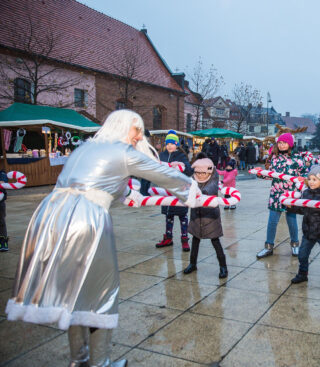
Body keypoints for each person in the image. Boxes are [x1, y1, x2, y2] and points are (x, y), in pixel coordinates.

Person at [5, 109, 199, 367]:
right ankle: (101, 363)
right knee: (101, 293)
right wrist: (195, 192)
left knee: (77, 292)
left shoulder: (85, 148)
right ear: (121, 127)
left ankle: (80, 359)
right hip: (85, 220)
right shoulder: (122, 151)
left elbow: (98, 183)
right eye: (136, 129)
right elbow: (164, 174)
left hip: (50, 215)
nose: (139, 135)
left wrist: (128, 194)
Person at [256, 133, 307, 258]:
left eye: (284, 143)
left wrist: (302, 179)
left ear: (289, 144)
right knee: (272, 221)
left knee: (291, 220)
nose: (281, 145)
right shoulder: (275, 158)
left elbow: (305, 175)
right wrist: (260, 173)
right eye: (279, 143)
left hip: (290, 195)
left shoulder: (298, 159)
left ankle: (295, 245)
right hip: (276, 194)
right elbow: (271, 175)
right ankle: (268, 247)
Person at [183, 154, 228, 278]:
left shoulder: (213, 177)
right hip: (196, 215)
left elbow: (211, 189)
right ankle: (192, 263)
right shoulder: (192, 178)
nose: (201, 175)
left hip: (210, 216)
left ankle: (223, 266)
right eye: (199, 173)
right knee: (195, 240)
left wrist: (199, 192)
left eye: (204, 173)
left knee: (215, 241)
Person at [155, 131, 193, 251]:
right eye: (167, 144)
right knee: (168, 215)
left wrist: (181, 167)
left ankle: (184, 238)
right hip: (167, 190)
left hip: (179, 190)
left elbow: (189, 171)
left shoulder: (181, 156)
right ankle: (168, 237)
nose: (170, 146)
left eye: (172, 143)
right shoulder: (162, 155)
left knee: (182, 216)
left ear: (176, 144)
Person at [0, 169, 8, 251]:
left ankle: (3, 242)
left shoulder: (2, 174)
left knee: (1, 222)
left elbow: (3, 182)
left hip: (0, 202)